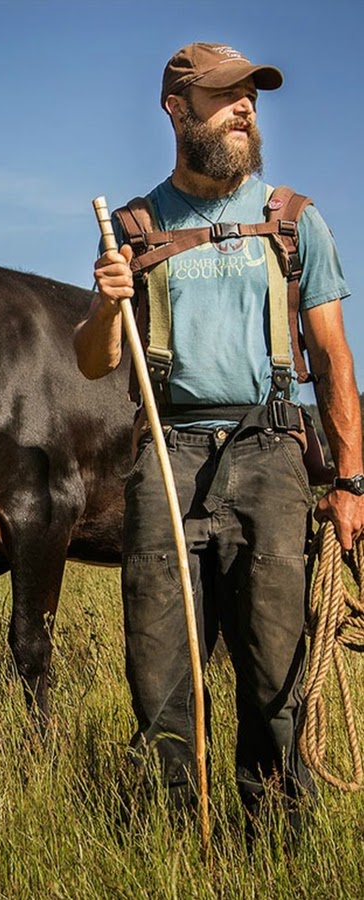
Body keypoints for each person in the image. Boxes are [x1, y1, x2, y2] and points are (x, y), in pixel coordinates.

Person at [74, 41, 364, 835]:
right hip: (168, 454)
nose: (245, 107)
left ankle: (274, 845)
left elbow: (336, 365)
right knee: (162, 678)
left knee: (277, 678)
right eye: (226, 95)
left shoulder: (295, 223)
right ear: (177, 109)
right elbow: (97, 361)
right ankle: (172, 845)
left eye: (252, 96)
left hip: (273, 458)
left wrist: (348, 483)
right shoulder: (133, 229)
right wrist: (107, 305)